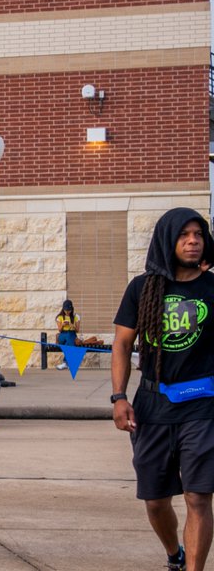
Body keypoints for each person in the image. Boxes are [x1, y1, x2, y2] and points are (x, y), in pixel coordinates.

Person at [112, 208, 214, 571]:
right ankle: (174, 553)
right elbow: (122, 344)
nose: (192, 241)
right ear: (167, 241)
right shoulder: (142, 289)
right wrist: (119, 397)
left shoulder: (212, 288)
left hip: (203, 407)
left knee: (198, 497)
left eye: (198, 234)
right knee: (155, 501)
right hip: (153, 406)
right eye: (184, 235)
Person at [55, 300, 80, 370]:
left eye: (69, 310)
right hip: (62, 335)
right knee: (69, 338)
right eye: (66, 310)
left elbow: (77, 330)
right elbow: (59, 330)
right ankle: (69, 363)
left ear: (72, 309)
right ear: (63, 309)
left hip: (72, 333)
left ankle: (65, 363)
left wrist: (72, 326)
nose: (67, 312)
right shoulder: (59, 317)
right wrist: (62, 325)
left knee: (68, 342)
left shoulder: (76, 316)